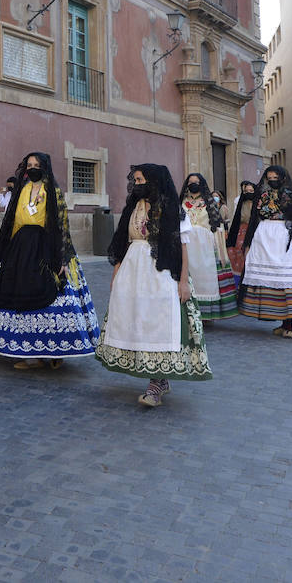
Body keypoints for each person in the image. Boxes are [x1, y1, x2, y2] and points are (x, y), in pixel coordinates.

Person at [0, 152, 101, 367]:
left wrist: (62, 259)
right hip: (20, 247)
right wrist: (0, 253)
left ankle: (57, 351)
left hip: (47, 246)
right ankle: (33, 352)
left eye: (36, 165)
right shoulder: (22, 190)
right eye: (29, 164)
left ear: (44, 167)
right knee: (22, 297)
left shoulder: (54, 192)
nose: (32, 168)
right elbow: (11, 222)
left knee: (54, 298)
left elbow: (61, 225)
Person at [96, 164, 211, 405]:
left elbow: (182, 246)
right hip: (133, 271)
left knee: (157, 322)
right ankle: (157, 378)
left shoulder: (172, 209)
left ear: (154, 182)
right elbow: (122, 243)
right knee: (137, 321)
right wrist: (116, 275)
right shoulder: (133, 208)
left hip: (162, 273)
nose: (137, 184)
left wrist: (183, 281)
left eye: (141, 180)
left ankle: (157, 382)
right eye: (135, 180)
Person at [237, 165, 292, 338]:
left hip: (286, 237)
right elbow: (254, 220)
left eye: (275, 177)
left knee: (287, 280)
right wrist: (248, 244)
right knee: (271, 281)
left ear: (283, 178)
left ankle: (289, 324)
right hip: (263, 238)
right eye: (269, 177)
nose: (272, 180)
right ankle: (281, 321)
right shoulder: (261, 196)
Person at [179, 172, 237, 322]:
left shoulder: (209, 202)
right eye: (190, 182)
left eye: (196, 182)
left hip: (204, 245)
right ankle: (187, 312)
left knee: (204, 278)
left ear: (202, 184)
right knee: (188, 275)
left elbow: (217, 223)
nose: (193, 184)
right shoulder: (181, 202)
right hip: (185, 243)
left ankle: (206, 315)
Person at [225, 180, 257, 280]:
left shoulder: (258, 204)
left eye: (251, 191)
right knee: (239, 255)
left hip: (255, 231)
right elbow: (236, 218)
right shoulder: (240, 203)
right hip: (241, 232)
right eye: (246, 191)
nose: (248, 193)